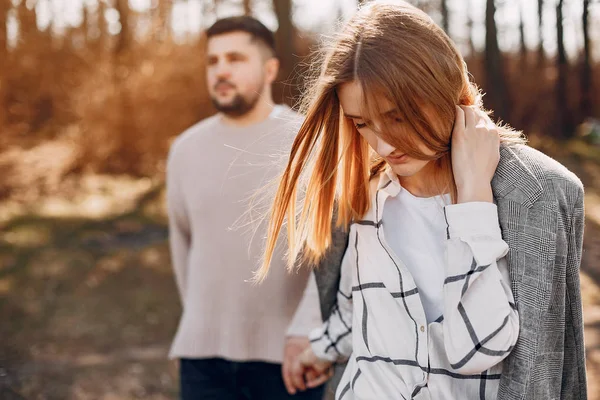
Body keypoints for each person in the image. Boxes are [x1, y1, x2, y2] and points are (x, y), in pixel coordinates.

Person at [258, 2, 587, 399]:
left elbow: (479, 348)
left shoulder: (534, 193)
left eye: (396, 117)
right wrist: (319, 350)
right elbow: (360, 306)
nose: (381, 144)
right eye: (362, 123)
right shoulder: (367, 194)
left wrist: (473, 202)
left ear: (441, 87)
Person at [166, 16, 324, 400]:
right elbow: (182, 243)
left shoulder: (308, 143)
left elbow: (331, 248)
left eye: (235, 58)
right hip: (202, 362)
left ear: (270, 69)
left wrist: (308, 330)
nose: (221, 70)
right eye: (213, 61)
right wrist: (203, 321)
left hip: (289, 359)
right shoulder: (185, 150)